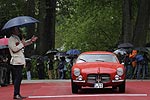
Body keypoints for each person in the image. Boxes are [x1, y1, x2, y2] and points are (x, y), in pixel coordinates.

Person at [8, 27, 38, 99]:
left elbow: (22, 44)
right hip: (16, 60)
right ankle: (16, 94)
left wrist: (30, 41)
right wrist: (22, 44)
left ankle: (17, 93)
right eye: (16, 30)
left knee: (19, 77)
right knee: (18, 77)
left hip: (20, 60)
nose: (18, 31)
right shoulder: (11, 39)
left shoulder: (17, 38)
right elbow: (14, 49)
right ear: (13, 31)